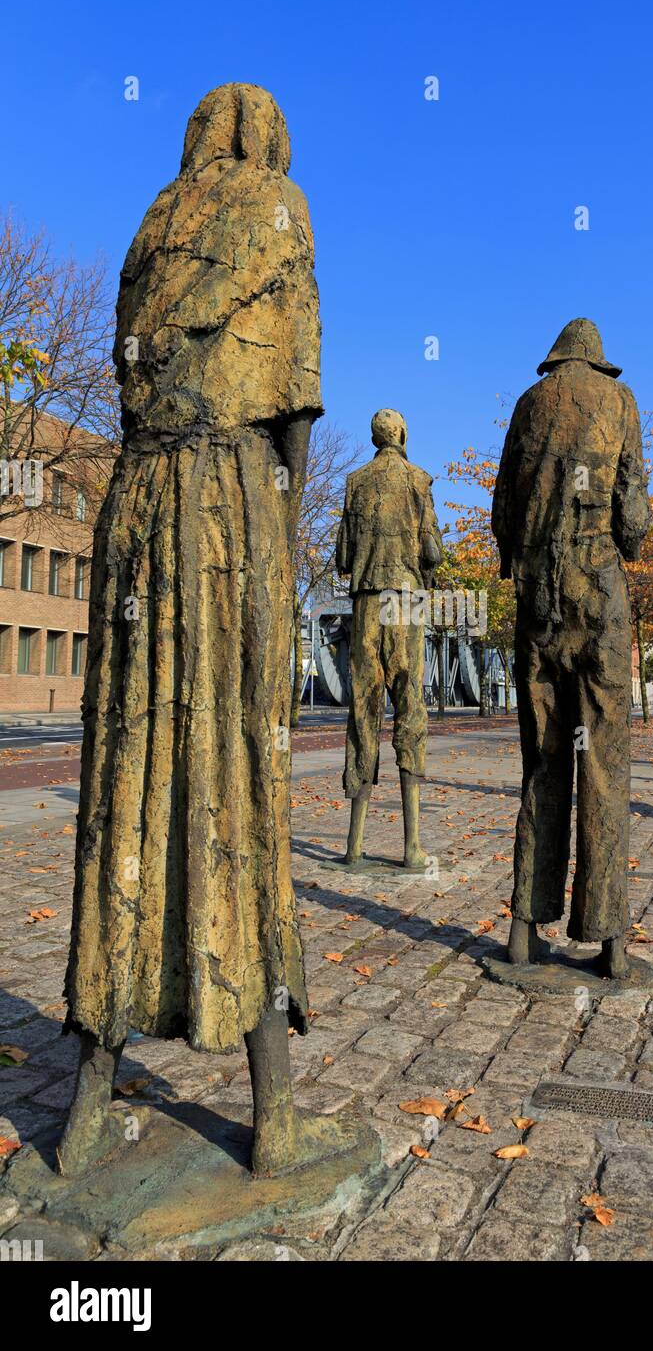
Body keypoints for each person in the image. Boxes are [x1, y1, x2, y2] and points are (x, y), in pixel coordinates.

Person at [59, 84, 325, 1179]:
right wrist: (279, 550)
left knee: (128, 773)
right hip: (225, 508)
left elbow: (128, 393)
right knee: (238, 777)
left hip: (136, 508)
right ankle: (273, 1113)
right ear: (265, 138)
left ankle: (85, 1097)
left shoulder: (147, 227)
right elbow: (295, 410)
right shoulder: (279, 207)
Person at [492, 318, 650, 978]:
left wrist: (518, 560)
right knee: (605, 766)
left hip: (539, 602)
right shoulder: (619, 400)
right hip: (599, 598)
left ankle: (525, 932)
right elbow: (632, 508)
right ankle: (609, 940)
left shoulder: (530, 403)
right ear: (599, 358)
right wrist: (627, 546)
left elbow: (503, 501)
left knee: (544, 762)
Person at [337, 409, 443, 869]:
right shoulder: (419, 480)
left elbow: (343, 555)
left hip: (365, 600)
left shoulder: (355, 481)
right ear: (402, 433)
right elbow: (431, 550)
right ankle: (411, 845)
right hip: (407, 598)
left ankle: (354, 844)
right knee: (410, 705)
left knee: (363, 707)